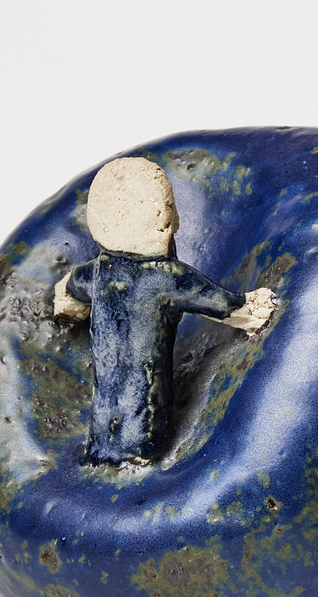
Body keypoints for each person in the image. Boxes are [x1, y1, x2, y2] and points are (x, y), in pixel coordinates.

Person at [54, 157, 276, 466]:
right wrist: (248, 308)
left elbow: (70, 287)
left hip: (103, 425)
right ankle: (137, 456)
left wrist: (65, 303)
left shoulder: (97, 271)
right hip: (143, 423)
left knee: (108, 408)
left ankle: (102, 454)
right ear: (164, 220)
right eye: (170, 210)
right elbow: (212, 299)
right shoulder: (163, 277)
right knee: (139, 411)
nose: (176, 222)